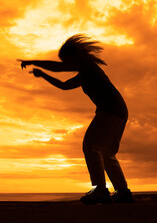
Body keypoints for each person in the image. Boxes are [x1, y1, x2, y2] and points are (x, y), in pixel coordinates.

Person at [17, 34, 133, 204]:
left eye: (67, 60)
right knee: (107, 153)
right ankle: (123, 192)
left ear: (75, 56)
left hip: (110, 109)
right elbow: (64, 86)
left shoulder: (87, 66)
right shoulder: (85, 72)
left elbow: (58, 68)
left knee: (91, 145)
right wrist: (42, 75)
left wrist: (33, 61)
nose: (66, 64)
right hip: (119, 110)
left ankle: (101, 191)